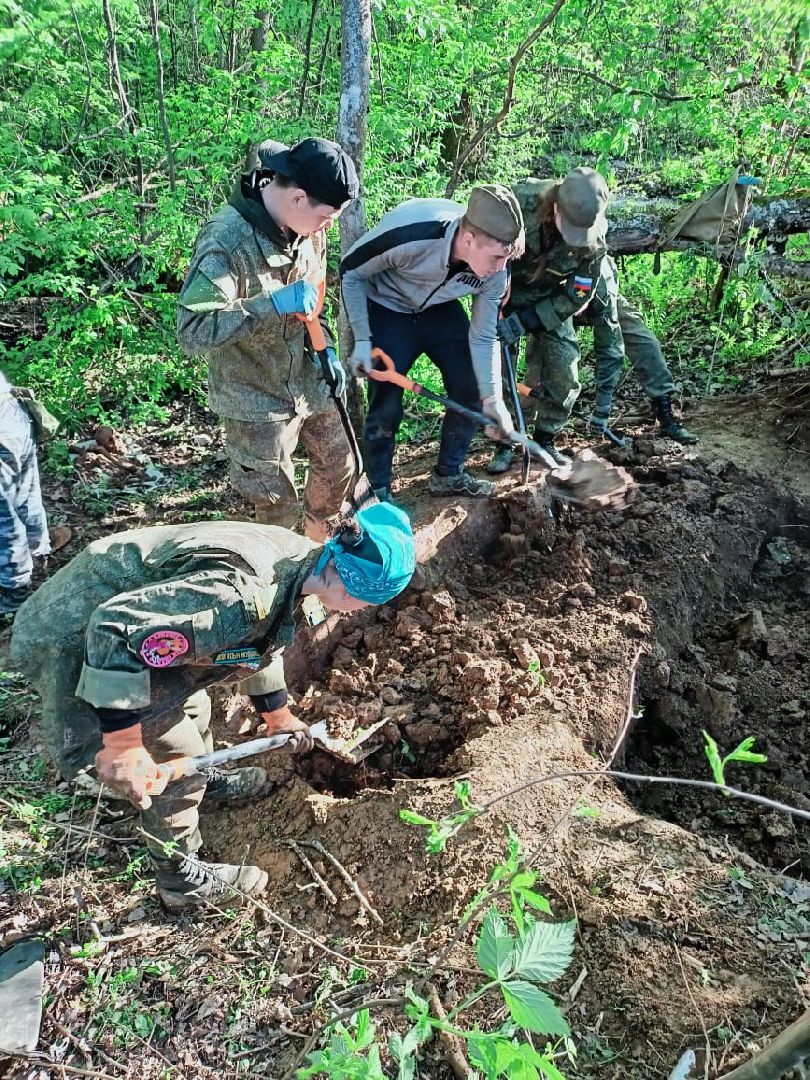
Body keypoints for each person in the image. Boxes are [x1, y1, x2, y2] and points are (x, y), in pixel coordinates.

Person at [11, 506, 415, 910]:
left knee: (197, 708)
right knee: (175, 755)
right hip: (75, 638)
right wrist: (122, 743)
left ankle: (206, 777)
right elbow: (114, 631)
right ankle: (180, 880)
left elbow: (262, 640)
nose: (360, 611)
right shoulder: (237, 597)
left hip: (130, 626)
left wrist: (277, 715)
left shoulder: (304, 562)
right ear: (348, 590)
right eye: (364, 603)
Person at [177, 138, 360, 541]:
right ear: (297, 198)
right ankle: (282, 586)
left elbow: (316, 299)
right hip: (254, 396)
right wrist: (270, 304)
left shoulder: (309, 230)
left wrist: (325, 345)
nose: (328, 226)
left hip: (309, 380)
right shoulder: (226, 241)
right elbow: (192, 330)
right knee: (277, 505)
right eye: (327, 216)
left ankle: (316, 553)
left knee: (339, 465)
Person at [488, 169, 696, 473]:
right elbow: (479, 235)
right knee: (501, 370)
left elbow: (576, 296)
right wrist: (494, 298)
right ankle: (504, 442)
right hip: (504, 292)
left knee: (565, 369)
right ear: (556, 207)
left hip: (549, 298)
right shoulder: (521, 202)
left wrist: (530, 320)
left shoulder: (594, 242)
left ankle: (545, 439)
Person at [340, 185, 524, 500]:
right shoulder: (411, 235)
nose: (500, 269)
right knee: (385, 403)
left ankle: (448, 474)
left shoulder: (496, 272)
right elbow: (351, 271)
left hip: (439, 309)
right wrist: (362, 338)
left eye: (506, 260)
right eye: (496, 257)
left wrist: (494, 402)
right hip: (388, 307)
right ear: (469, 240)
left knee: (470, 384)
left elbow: (482, 336)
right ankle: (378, 489)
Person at [0, 368, 51, 614]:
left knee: (3, 516)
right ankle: (38, 561)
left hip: (3, 430)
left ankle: (15, 590)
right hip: (13, 414)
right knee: (26, 497)